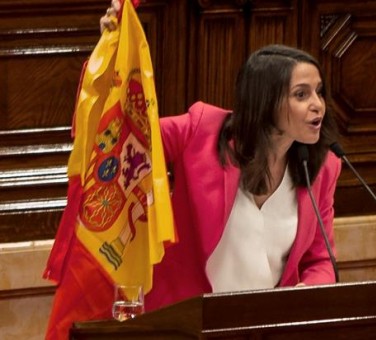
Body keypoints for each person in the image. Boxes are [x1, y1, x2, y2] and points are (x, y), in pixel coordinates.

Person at [100, 0, 341, 311]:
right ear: (264, 99)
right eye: (301, 94)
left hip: (262, 327)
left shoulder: (322, 166)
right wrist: (111, 61)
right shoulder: (201, 131)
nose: (318, 105)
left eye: (319, 92)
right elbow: (123, 136)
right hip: (185, 323)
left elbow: (320, 260)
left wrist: (299, 298)